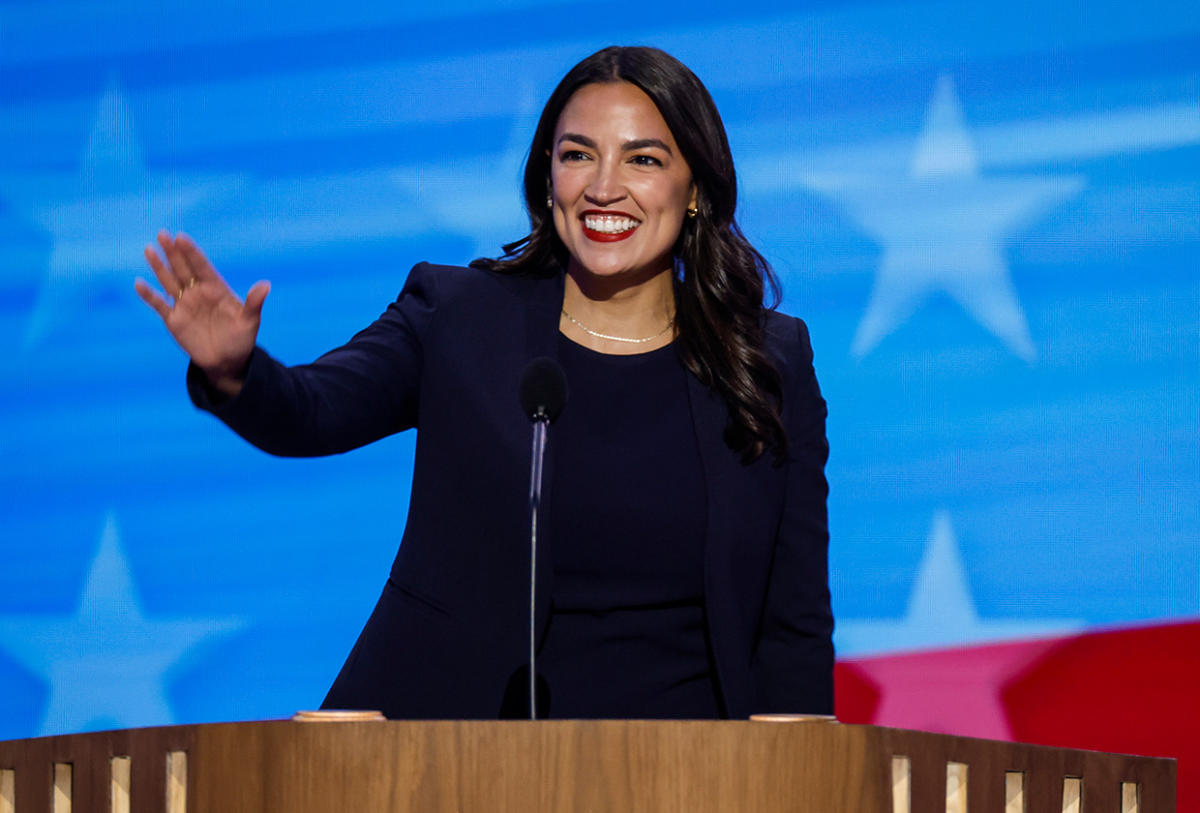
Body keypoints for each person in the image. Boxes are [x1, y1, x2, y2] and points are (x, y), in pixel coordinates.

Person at [135, 46, 833, 720]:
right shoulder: (460, 317)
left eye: (642, 159)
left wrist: (793, 781)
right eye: (577, 155)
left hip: (690, 777)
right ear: (547, 179)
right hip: (456, 763)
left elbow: (793, 619)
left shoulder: (767, 359)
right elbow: (312, 411)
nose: (602, 186)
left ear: (697, 194)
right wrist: (235, 372)